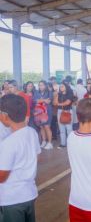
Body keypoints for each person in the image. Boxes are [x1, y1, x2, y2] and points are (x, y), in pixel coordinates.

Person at [0, 94, 41, 222]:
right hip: (29, 193)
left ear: (5, 116)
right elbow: (36, 157)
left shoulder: (8, 143)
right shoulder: (32, 132)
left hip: (12, 199)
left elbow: (2, 176)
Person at [34, 81, 54, 150]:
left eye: (42, 85)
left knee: (47, 127)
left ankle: (50, 143)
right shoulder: (36, 92)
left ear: (45, 86)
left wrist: (40, 100)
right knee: (41, 127)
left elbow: (49, 101)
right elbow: (35, 101)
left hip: (47, 112)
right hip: (39, 112)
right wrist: (44, 100)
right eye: (39, 85)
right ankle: (44, 141)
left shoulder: (49, 92)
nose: (41, 86)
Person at [54, 82, 74, 149]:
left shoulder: (70, 93)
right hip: (60, 112)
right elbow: (54, 103)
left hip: (68, 111)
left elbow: (67, 103)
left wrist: (58, 104)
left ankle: (70, 144)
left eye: (62, 86)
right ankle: (63, 143)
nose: (61, 87)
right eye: (60, 86)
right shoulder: (59, 94)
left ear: (66, 87)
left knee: (69, 129)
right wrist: (56, 95)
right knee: (61, 129)